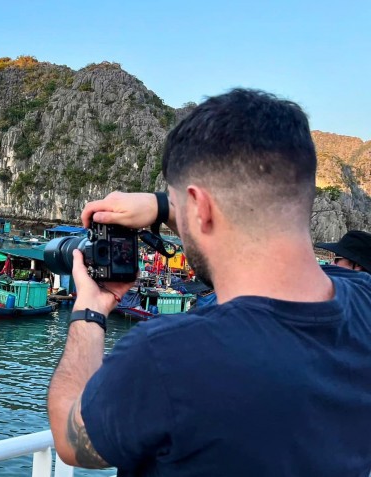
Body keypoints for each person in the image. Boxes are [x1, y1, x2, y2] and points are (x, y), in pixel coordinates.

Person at [47, 89, 371, 476]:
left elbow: (71, 440)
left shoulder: (167, 357)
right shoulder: (363, 299)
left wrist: (90, 311)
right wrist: (167, 206)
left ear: (200, 208)